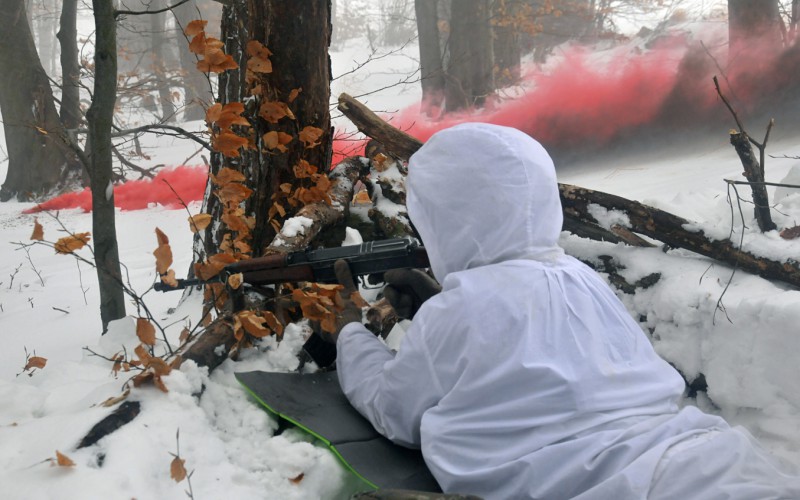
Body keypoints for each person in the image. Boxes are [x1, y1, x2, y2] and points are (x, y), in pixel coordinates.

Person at [327, 123, 800, 499]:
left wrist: (350, 332)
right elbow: (549, 358)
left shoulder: (461, 310)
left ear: (441, 216)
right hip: (701, 459)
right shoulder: (580, 277)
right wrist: (442, 303)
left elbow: (394, 411)